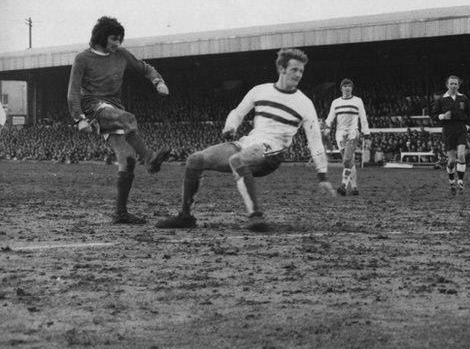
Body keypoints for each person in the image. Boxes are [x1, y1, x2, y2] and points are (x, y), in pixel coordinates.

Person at [155, 48, 335, 232]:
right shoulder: (260, 90)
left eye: (301, 71)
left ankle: (255, 217)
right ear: (281, 68)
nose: (298, 74)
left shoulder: (304, 103)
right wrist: (230, 126)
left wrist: (323, 176)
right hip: (248, 143)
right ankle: (186, 216)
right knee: (194, 160)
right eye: (294, 70)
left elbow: (315, 140)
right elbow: (238, 113)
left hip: (271, 153)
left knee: (237, 160)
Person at [67, 16, 171, 224]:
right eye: (114, 39)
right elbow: (73, 91)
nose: (117, 43)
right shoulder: (83, 58)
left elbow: (145, 68)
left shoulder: (121, 54)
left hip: (114, 107)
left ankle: (120, 213)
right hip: (94, 107)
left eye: (120, 40)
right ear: (101, 37)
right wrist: (79, 119)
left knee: (128, 159)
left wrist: (158, 81)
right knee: (128, 118)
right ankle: (150, 159)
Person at [322, 78, 371, 195]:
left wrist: (367, 135)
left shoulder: (358, 101)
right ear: (341, 88)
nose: (347, 88)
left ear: (352, 88)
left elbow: (363, 119)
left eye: (349, 86)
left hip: (353, 133)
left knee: (346, 160)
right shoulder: (335, 102)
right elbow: (330, 118)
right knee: (350, 162)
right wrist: (326, 129)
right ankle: (354, 187)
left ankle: (343, 185)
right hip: (340, 135)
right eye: (345, 86)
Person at [431, 75, 470, 195]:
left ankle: (460, 181)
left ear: (458, 85)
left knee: (461, 154)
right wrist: (442, 116)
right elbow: (434, 115)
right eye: (451, 83)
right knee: (452, 160)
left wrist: (467, 126)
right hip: (448, 129)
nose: (453, 85)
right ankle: (451, 180)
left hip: (460, 128)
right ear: (447, 85)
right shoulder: (441, 100)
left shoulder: (463, 98)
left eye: (455, 84)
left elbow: (469, 114)